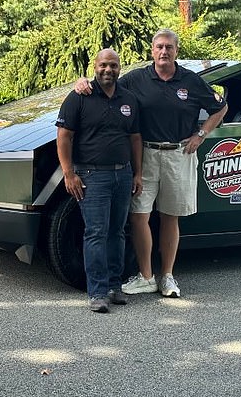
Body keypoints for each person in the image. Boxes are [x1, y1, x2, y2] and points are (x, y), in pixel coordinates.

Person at [74, 29, 228, 298]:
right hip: (145, 154)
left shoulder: (190, 81)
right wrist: (82, 83)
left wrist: (201, 134)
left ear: (176, 50)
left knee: (170, 216)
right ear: (152, 50)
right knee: (139, 215)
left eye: (169, 47)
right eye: (159, 47)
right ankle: (146, 276)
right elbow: (107, 82)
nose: (164, 52)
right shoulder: (137, 78)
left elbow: (221, 108)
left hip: (179, 154)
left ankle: (167, 277)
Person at [56, 48, 143, 313]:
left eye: (114, 66)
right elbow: (64, 136)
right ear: (95, 66)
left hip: (123, 174)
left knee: (117, 232)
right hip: (92, 176)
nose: (109, 70)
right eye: (104, 65)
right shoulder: (79, 97)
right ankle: (97, 292)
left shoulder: (128, 99)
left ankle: (115, 287)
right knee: (96, 232)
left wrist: (137, 173)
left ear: (120, 68)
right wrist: (69, 174)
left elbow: (135, 138)